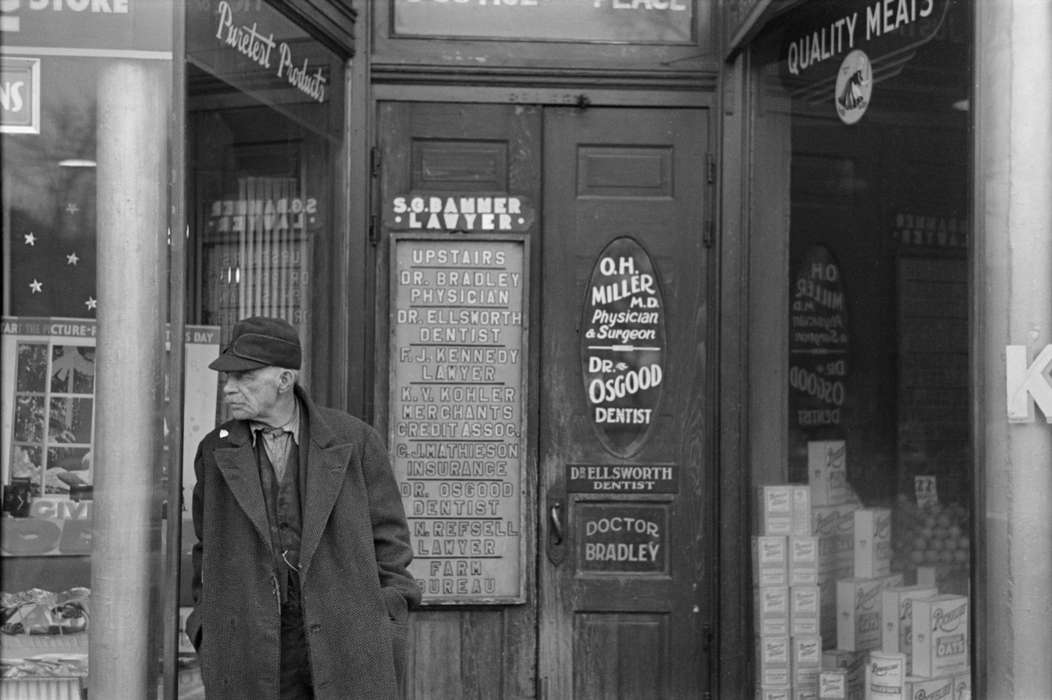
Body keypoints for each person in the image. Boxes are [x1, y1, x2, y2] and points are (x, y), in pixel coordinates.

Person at [186, 316, 420, 699]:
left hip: (347, 642)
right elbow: (206, 551)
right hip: (250, 644)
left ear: (284, 380)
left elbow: (390, 542)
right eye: (228, 378)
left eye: (244, 377)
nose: (229, 389)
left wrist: (388, 616)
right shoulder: (215, 451)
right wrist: (206, 627)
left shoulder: (355, 441)